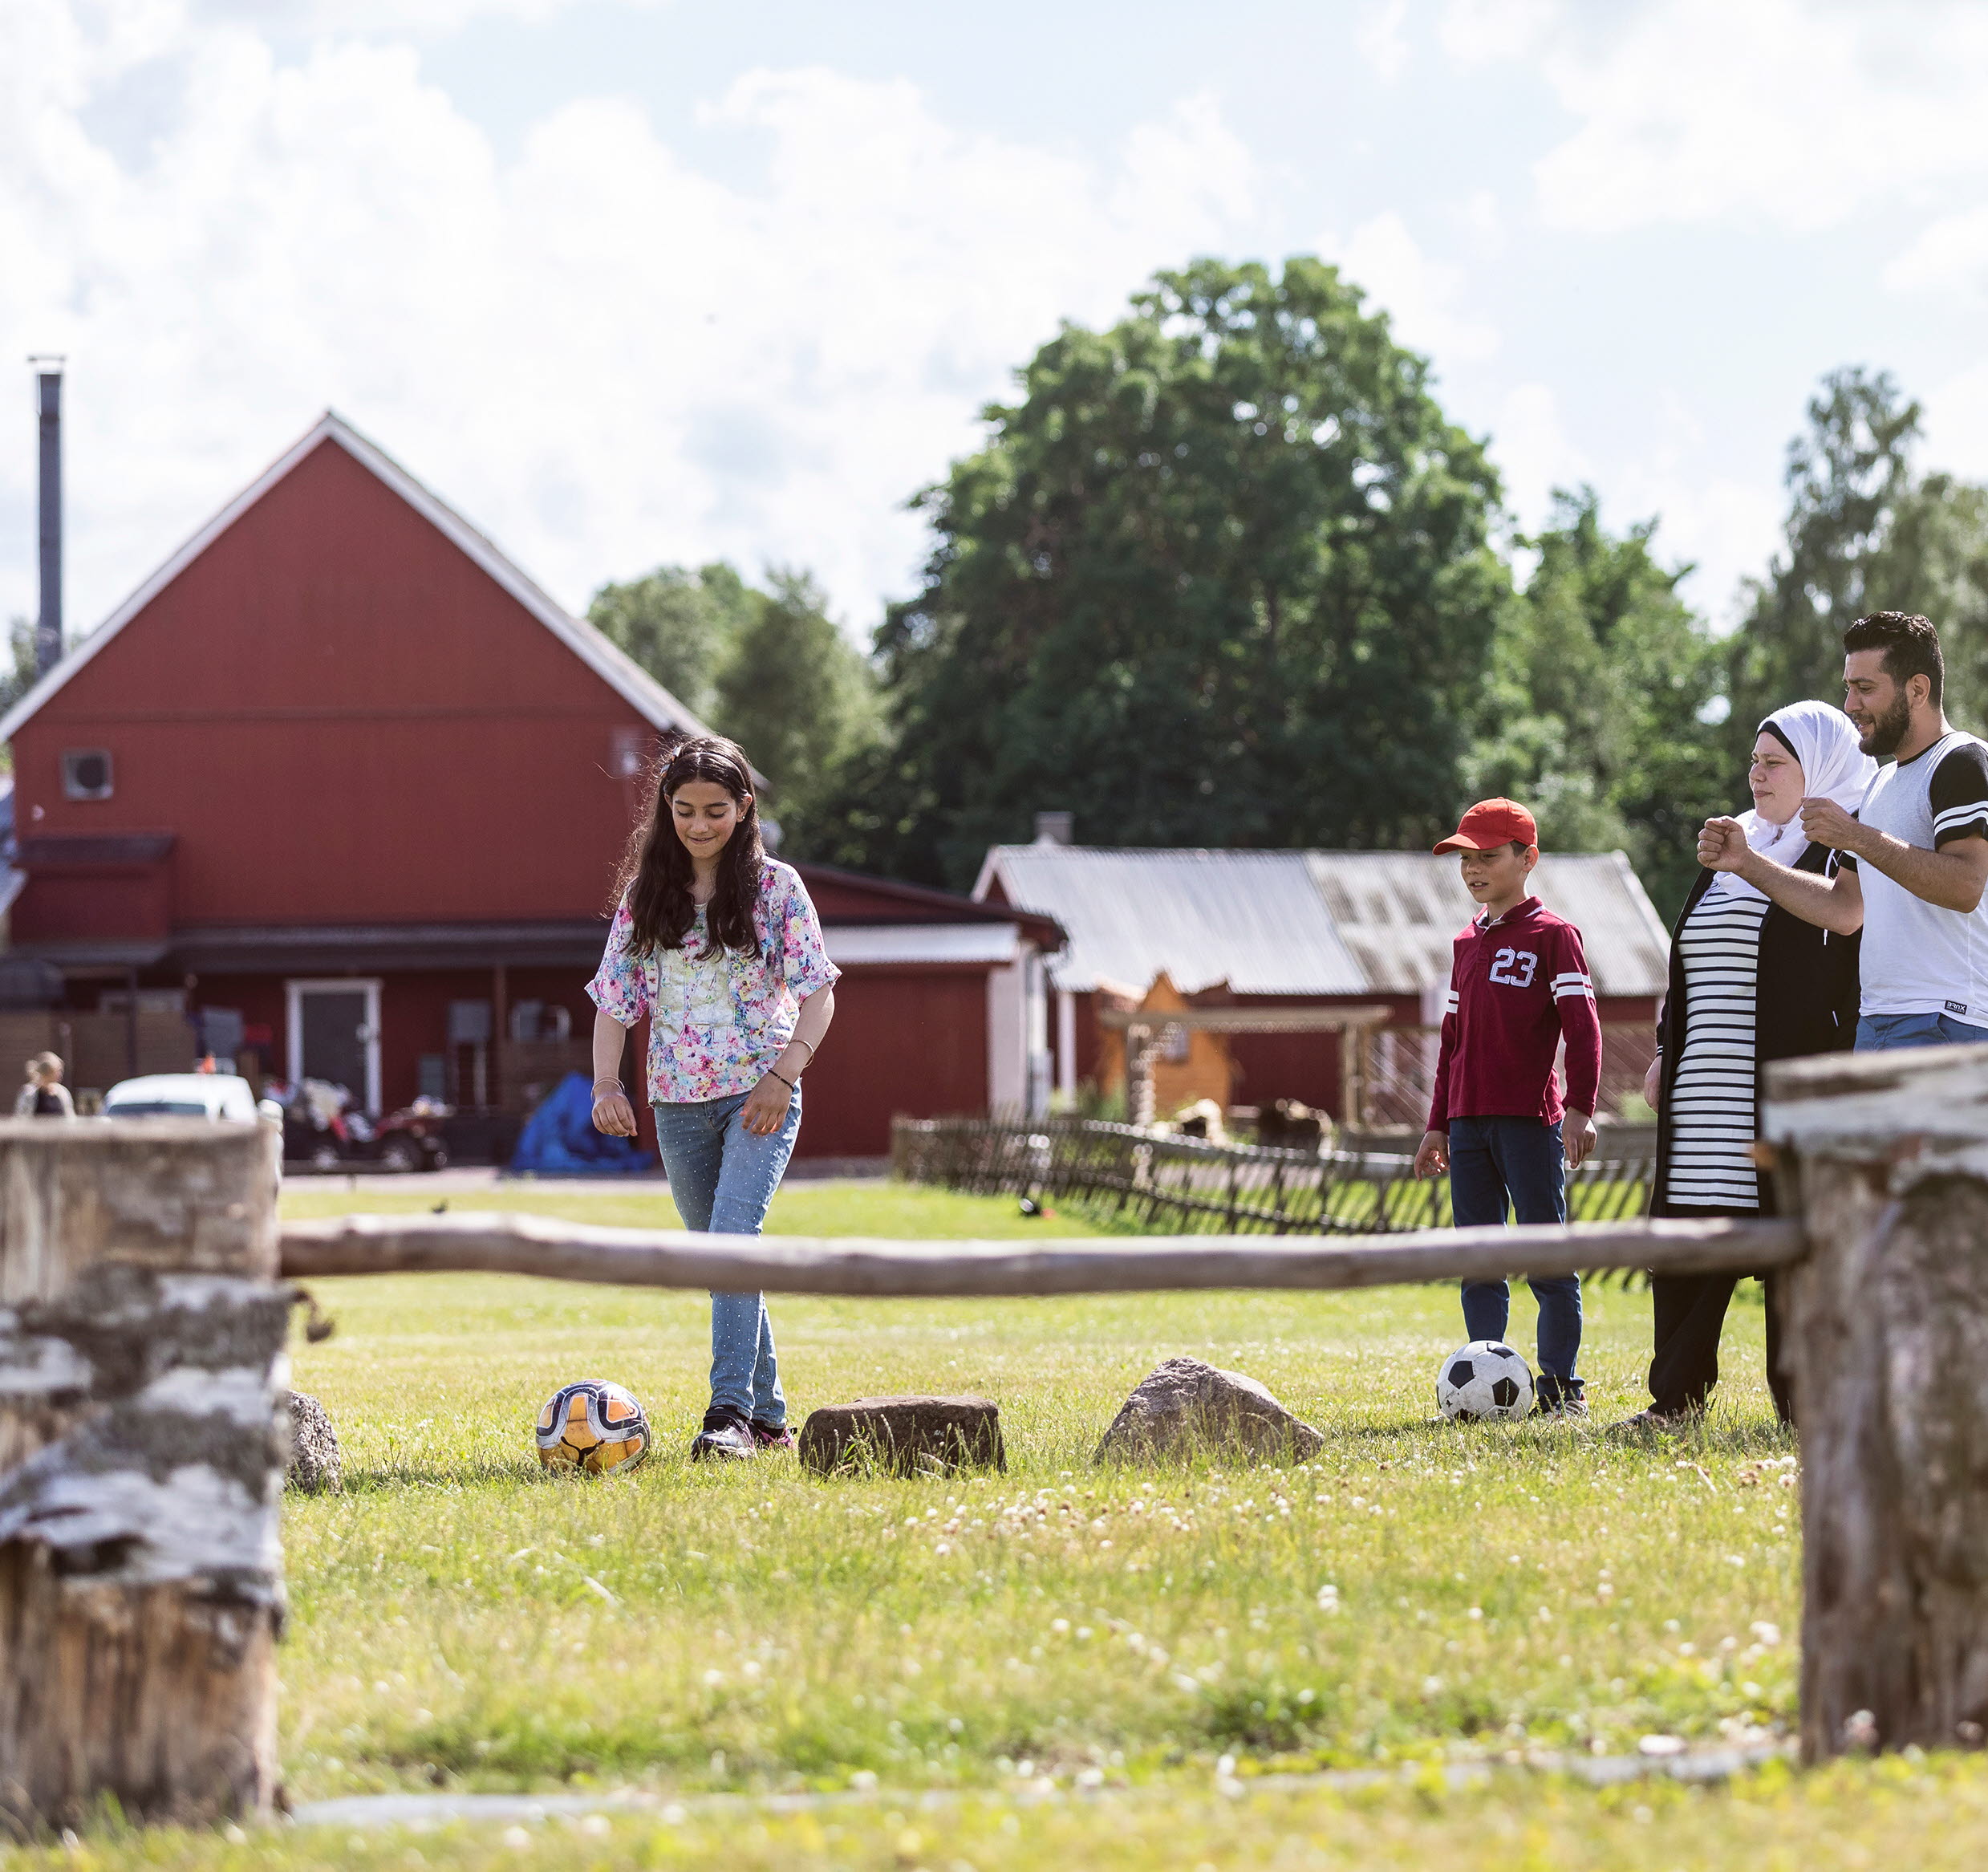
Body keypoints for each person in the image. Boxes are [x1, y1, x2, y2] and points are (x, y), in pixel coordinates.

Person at [587, 734, 839, 1462]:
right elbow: (613, 1002)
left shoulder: (777, 889)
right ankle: (770, 1420)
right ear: (667, 809)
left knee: (732, 1244)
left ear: (744, 807)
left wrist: (782, 1076)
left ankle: (727, 1413)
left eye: (716, 810)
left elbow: (820, 995)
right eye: (686, 810)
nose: (700, 825)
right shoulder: (646, 898)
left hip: (761, 1095)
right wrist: (608, 1084)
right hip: (677, 1105)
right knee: (721, 1262)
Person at [1625, 702, 1871, 1433]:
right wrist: (1669, 1048)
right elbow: (1691, 961)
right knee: (1689, 1244)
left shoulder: (1840, 851)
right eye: (1755, 760)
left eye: (1775, 763)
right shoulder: (1739, 841)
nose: (1756, 774)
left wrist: (1747, 861)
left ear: (1818, 771)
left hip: (1781, 1086)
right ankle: (1674, 1402)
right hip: (1705, 1085)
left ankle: (1804, 1411)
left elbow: (1843, 926)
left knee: (1792, 1251)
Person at [1698, 612, 1988, 1050]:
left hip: (1946, 1021)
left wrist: (1855, 836)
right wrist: (1747, 863)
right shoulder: (1879, 784)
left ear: (1918, 690)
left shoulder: (1962, 761)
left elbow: (1966, 885)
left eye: (1865, 688)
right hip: (1876, 1023)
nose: (1850, 704)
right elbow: (1845, 908)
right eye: (1848, 687)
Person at [1414, 798, 1601, 1418]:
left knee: (1548, 1258)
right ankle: (1484, 1387)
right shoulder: (1465, 942)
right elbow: (1452, 1044)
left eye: (1488, 856)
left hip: (1530, 1122)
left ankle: (1561, 1388)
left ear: (1528, 859)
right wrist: (1437, 1124)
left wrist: (1579, 1106)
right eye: (1466, 858)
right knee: (1480, 1259)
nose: (1473, 869)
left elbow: (1584, 1028)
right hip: (1466, 1124)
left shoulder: (1554, 936)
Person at [14, 1052, 75, 1118]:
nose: (61, 1074)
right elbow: (20, 1117)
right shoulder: (28, 1093)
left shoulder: (63, 1092)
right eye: (58, 1070)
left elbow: (70, 1117)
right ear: (48, 1072)